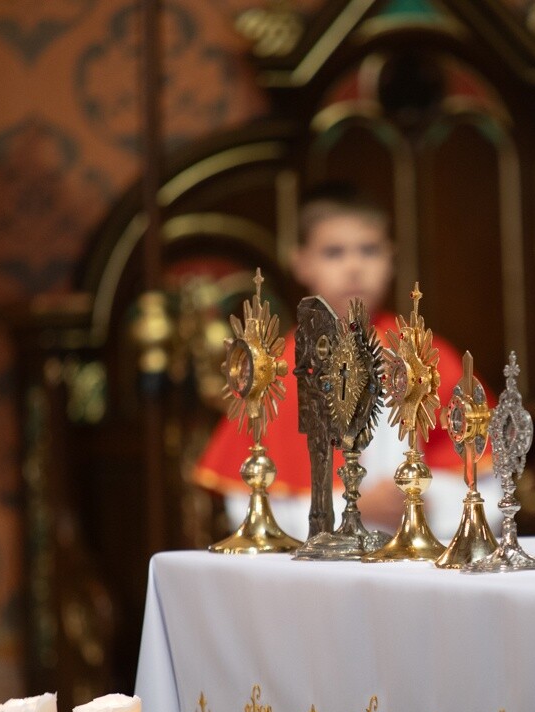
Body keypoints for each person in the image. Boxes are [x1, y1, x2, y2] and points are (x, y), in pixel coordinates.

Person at [194, 184, 496, 539]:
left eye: (369, 250)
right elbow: (245, 508)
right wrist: (353, 508)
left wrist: (419, 499)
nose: (354, 267)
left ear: (391, 258)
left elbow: (489, 489)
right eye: (334, 253)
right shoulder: (274, 370)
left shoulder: (429, 359)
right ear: (301, 263)